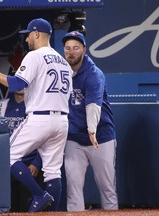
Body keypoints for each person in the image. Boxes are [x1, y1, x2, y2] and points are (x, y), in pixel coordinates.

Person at [0, 18, 73, 212]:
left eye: (29, 34)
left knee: (7, 155)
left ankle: (38, 194)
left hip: (39, 117)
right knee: (53, 172)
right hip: (62, 120)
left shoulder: (34, 55)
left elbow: (16, 85)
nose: (27, 39)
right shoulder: (63, 61)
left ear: (37, 34)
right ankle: (51, 212)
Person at [62, 31, 118, 211]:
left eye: (76, 48)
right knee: (73, 188)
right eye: (67, 48)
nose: (71, 52)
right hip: (74, 138)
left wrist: (91, 130)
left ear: (84, 50)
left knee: (107, 188)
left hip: (100, 138)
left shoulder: (94, 73)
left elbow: (93, 104)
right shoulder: (61, 72)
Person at [0, 90, 44, 212]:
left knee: (26, 206)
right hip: (6, 164)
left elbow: (44, 136)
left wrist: (36, 162)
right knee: (9, 206)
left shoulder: (36, 104)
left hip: (28, 165)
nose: (21, 87)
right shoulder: (3, 104)